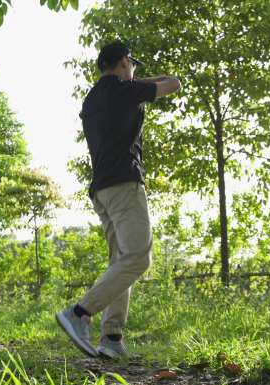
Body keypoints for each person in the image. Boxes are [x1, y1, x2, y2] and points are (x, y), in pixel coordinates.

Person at [56, 41, 181, 359]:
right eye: (132, 63)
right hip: (125, 183)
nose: (134, 68)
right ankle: (80, 313)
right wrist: (152, 79)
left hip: (101, 188)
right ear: (124, 62)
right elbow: (174, 84)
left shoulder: (93, 96)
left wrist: (136, 81)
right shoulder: (125, 91)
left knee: (120, 263)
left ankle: (111, 337)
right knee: (139, 258)